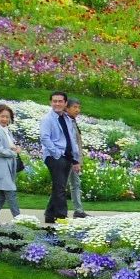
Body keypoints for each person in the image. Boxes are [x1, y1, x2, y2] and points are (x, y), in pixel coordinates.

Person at [38, 90, 79, 223]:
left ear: (65, 103)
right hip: (54, 156)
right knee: (60, 187)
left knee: (59, 186)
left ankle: (49, 215)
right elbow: (44, 138)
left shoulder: (67, 119)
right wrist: (56, 153)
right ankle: (62, 217)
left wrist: (75, 158)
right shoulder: (47, 119)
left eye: (60, 101)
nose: (57, 104)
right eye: (54, 101)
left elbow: (71, 139)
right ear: (50, 102)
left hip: (67, 156)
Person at [65, 98, 88, 218]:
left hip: (74, 160)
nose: (77, 110)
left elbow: (77, 143)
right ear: (67, 108)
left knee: (75, 184)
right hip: (67, 159)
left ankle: (78, 210)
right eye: (75, 107)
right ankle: (53, 210)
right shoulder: (66, 122)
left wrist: (79, 160)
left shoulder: (73, 121)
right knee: (61, 186)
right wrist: (75, 161)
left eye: (79, 107)